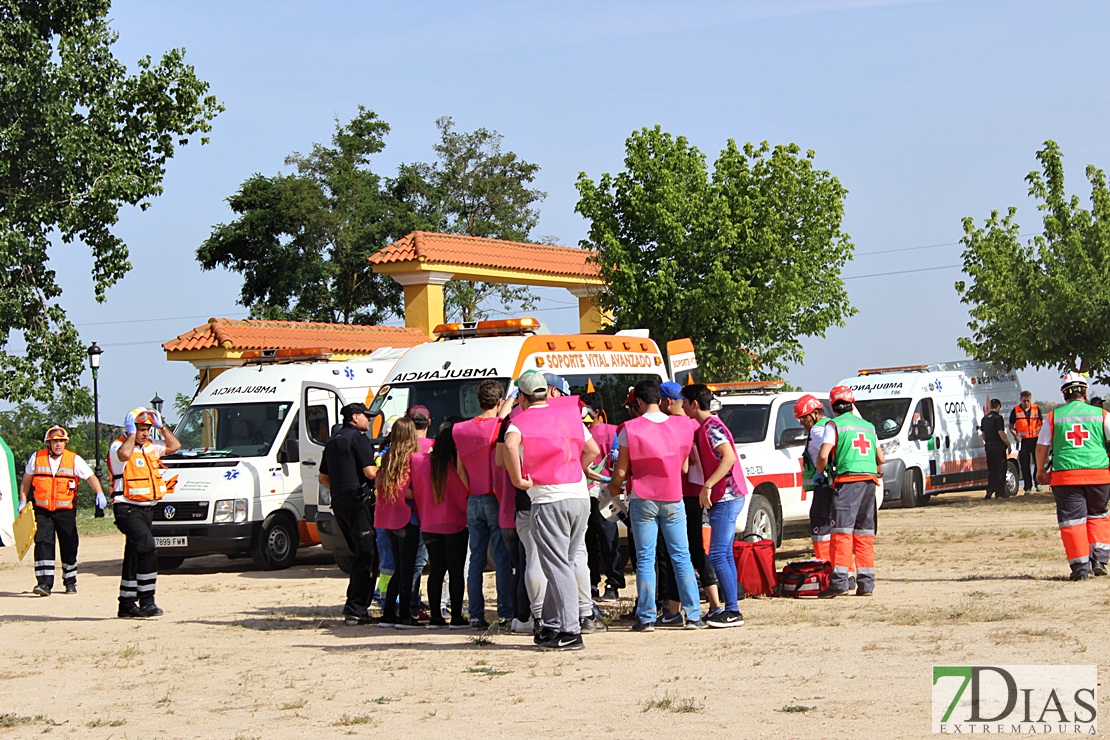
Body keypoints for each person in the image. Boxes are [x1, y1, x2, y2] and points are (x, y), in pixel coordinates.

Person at [504, 371, 600, 651]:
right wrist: (579, 469)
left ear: (521, 397)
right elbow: (592, 449)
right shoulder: (570, 416)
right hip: (579, 497)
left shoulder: (518, 420)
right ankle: (551, 624)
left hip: (548, 499)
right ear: (546, 392)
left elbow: (510, 446)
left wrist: (517, 480)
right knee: (564, 563)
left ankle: (570, 630)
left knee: (556, 566)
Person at [609, 380, 704, 631]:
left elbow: (621, 470)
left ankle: (647, 616)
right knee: (681, 556)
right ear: (661, 400)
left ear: (639, 402)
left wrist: (613, 488)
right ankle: (694, 614)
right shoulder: (683, 425)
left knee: (645, 559)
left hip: (643, 496)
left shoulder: (629, 428)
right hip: (674, 495)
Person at [682, 383, 747, 628]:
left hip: (727, 497)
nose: (683, 407)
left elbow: (728, 456)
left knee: (718, 554)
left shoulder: (711, 427)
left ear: (694, 404)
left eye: (684, 402)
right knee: (725, 553)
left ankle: (732, 610)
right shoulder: (707, 427)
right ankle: (729, 607)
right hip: (727, 496)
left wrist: (708, 484)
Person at [658, 381, 723, 624]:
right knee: (694, 549)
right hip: (697, 492)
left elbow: (681, 464)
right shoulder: (696, 423)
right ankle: (713, 604)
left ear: (666, 402)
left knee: (675, 551)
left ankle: (674, 611)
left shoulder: (669, 425)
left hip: (676, 493)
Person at [1035, 373, 1110, 581]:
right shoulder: (1102, 415)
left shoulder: (1054, 417)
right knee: (1099, 516)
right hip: (1099, 476)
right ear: (1085, 392)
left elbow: (1042, 447)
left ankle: (1080, 569)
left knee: (1073, 522)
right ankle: (1099, 561)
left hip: (1066, 477)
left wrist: (1040, 471)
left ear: (1064, 394)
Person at [109, 408, 181, 618]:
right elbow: (124, 455)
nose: (145, 433)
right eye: (141, 429)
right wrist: (131, 434)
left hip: (146, 509)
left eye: (148, 429)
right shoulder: (118, 446)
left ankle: (127, 604)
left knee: (133, 554)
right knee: (148, 547)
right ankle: (147, 600)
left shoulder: (151, 447)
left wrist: (162, 426)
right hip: (127, 508)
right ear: (132, 429)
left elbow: (175, 446)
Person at [18, 426, 105, 596]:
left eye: (61, 441)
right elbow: (26, 480)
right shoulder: (37, 458)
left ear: (65, 443)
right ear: (48, 443)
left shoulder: (74, 459)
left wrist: (99, 493)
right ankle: (44, 583)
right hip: (42, 510)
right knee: (43, 543)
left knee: (69, 544)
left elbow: (90, 477)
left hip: (66, 510)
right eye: (55, 441)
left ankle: (70, 581)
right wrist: (22, 501)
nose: (58, 444)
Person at [815, 386, 885, 598]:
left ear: (833, 406)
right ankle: (866, 584)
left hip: (848, 481)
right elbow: (881, 459)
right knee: (864, 533)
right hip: (869, 481)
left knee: (841, 533)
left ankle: (839, 583)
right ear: (852, 404)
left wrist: (820, 470)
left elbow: (824, 453)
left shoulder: (833, 425)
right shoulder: (868, 426)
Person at [455, 381, 513, 629]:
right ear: (499, 401)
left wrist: (471, 488)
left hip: (474, 497)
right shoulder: (500, 426)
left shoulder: (460, 429)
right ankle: (505, 612)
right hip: (494, 496)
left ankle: (476, 613)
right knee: (501, 558)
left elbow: (460, 468)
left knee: (476, 558)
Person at [319, 402, 379, 626]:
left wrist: (342, 489)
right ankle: (356, 609)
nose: (369, 420)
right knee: (367, 555)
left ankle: (353, 605)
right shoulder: (358, 438)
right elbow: (370, 472)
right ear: (355, 418)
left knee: (358, 553)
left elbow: (323, 478)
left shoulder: (333, 441)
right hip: (359, 503)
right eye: (366, 416)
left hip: (340, 504)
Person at [413, 421, 470, 628]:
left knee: (436, 570)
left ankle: (436, 616)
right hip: (456, 522)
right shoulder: (458, 464)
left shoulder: (418, 461)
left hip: (429, 522)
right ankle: (456, 616)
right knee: (455, 571)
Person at [373, 417, 423, 628]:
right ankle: (404, 615)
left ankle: (388, 613)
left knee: (397, 568)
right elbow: (407, 490)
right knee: (408, 568)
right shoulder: (411, 459)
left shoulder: (387, 458)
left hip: (389, 520)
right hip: (407, 518)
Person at [582, 398, 624, 603]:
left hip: (606, 494)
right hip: (582, 494)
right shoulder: (578, 431)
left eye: (586, 412)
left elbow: (618, 461)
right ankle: (591, 582)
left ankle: (613, 583)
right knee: (588, 540)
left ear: (596, 411)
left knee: (609, 538)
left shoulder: (611, 432)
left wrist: (614, 484)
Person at [795, 395, 834, 561]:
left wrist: (820, 470)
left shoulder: (818, 430)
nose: (802, 423)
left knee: (820, 526)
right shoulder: (831, 425)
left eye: (804, 418)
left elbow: (828, 453)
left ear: (815, 413)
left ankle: (824, 565)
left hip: (825, 487)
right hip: (835, 485)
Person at [1009, 391, 1044, 494]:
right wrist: (1015, 435)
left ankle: (1038, 483)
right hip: (1023, 441)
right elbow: (1011, 426)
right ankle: (1027, 487)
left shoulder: (1036, 409)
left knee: (1038, 463)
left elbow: (1042, 423)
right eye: (1024, 401)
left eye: (1028, 401)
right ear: (1020, 399)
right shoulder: (1015, 410)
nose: (1026, 403)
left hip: (1035, 439)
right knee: (1025, 465)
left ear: (1030, 400)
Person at [981, 399, 1011, 500]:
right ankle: (1000, 493)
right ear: (998, 406)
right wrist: (1008, 444)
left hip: (989, 446)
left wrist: (988, 442)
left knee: (992, 470)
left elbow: (983, 434)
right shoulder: (998, 418)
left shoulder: (984, 418)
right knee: (1000, 469)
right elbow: (1001, 432)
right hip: (998, 446)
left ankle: (989, 491)